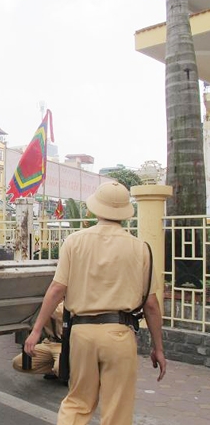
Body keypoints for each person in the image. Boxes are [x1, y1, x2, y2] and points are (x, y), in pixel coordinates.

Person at [24, 181, 167, 425]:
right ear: (124, 213)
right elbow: (151, 305)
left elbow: (57, 289)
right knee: (117, 409)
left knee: (77, 402)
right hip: (120, 335)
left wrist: (36, 330)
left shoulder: (74, 241)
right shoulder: (140, 248)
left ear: (96, 209)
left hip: (82, 333)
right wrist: (158, 348)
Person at [13, 302, 64, 380]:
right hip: (49, 342)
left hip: (66, 344)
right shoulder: (43, 299)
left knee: (61, 370)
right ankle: (55, 369)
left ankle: (66, 370)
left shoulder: (68, 300)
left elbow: (58, 312)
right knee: (18, 363)